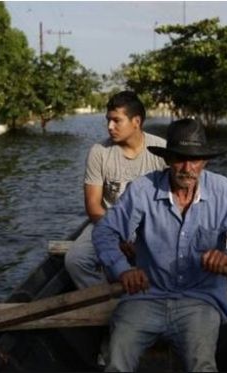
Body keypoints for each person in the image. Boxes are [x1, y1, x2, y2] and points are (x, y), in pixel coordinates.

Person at [92, 118, 227, 372]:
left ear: (205, 161)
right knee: (117, 361)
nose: (187, 167)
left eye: (195, 160)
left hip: (200, 300)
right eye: (179, 159)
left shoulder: (223, 191)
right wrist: (122, 269)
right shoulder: (144, 189)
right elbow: (105, 232)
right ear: (167, 160)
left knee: (203, 366)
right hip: (146, 297)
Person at [65, 91, 166, 289]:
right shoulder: (99, 152)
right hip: (107, 222)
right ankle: (106, 302)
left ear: (136, 121)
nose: (110, 127)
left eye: (116, 121)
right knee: (75, 260)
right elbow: (93, 206)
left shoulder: (161, 150)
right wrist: (119, 235)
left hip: (150, 224)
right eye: (108, 120)